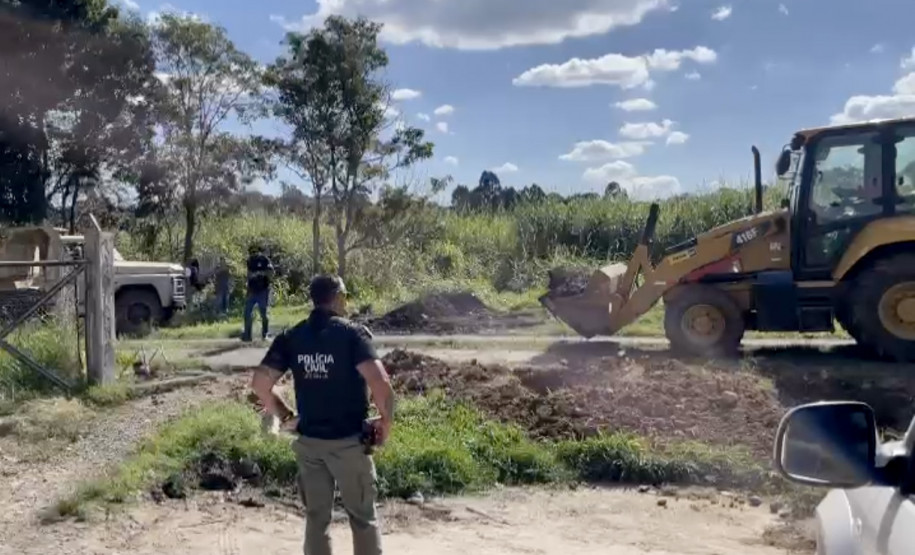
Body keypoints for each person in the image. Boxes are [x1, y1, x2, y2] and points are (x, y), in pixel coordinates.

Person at [251, 275, 394, 555]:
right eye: (345, 296)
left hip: (310, 445)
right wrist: (385, 422)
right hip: (349, 442)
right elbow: (380, 382)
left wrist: (286, 414)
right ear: (338, 297)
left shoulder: (292, 336)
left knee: (317, 520)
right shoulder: (353, 334)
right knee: (363, 519)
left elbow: (260, 383)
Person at [243, 245, 274, 342]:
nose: (253, 254)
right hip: (252, 290)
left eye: (254, 251)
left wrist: (260, 273)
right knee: (247, 313)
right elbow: (248, 275)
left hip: (263, 290)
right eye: (251, 252)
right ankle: (247, 335)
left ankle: (265, 334)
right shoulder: (249, 261)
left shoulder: (264, 260)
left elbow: (271, 272)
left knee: (263, 313)